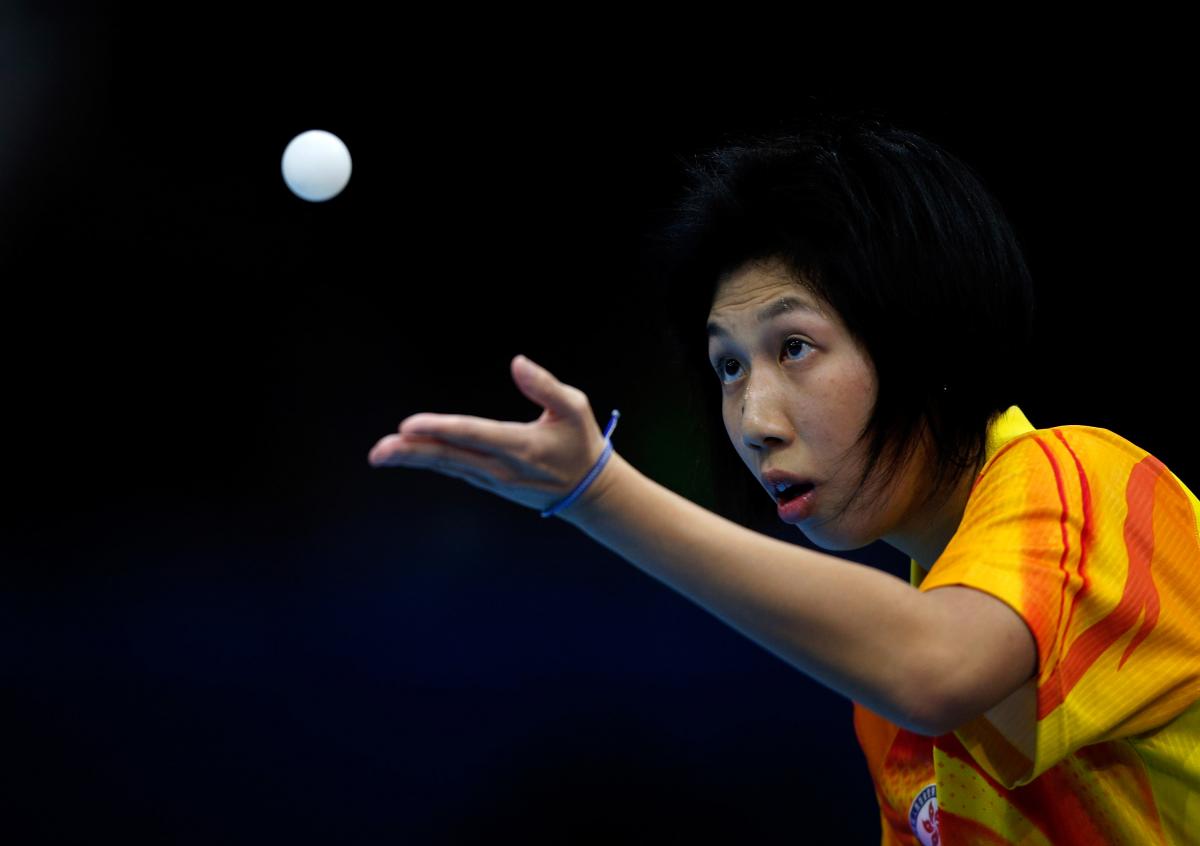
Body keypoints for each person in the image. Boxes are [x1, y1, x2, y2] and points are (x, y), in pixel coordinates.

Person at [366, 112, 1200, 845]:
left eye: (793, 347)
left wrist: (599, 494)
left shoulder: (1092, 485)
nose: (756, 419)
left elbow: (934, 667)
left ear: (920, 339)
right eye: (728, 368)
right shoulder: (886, 708)